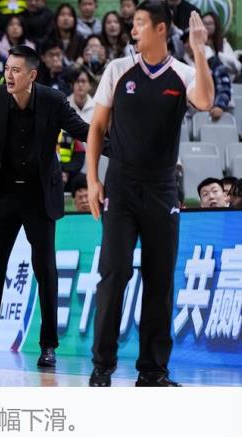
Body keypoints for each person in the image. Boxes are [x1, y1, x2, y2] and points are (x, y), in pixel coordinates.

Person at [86, 1, 213, 387]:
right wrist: (93, 181)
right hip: (121, 188)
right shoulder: (117, 69)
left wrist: (198, 49)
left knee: (160, 279)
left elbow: (206, 101)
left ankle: (153, 370)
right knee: (114, 273)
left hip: (162, 188)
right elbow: (97, 128)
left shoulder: (183, 73)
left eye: (140, 23)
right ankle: (102, 365)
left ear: (160, 29)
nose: (133, 29)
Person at [0, 45, 89, 369]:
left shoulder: (53, 100)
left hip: (39, 195)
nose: (9, 75)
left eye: (16, 70)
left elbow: (83, 131)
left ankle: (48, 347)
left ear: (32, 75)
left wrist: (122, 146)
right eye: (7, 69)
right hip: (4, 194)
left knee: (45, 271)